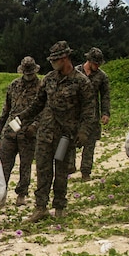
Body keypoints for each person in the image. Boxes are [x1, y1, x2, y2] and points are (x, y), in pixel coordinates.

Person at [19, 41, 95, 223]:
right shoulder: (49, 79)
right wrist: (22, 117)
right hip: (45, 133)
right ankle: (40, 208)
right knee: (43, 170)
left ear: (65, 58)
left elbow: (88, 110)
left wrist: (84, 132)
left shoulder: (81, 81)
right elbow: (38, 103)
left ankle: (59, 206)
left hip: (64, 137)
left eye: (56, 60)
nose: (53, 63)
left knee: (61, 171)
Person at [0, 56, 41, 207]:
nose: (28, 76)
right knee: (4, 164)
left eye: (31, 73)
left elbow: (45, 110)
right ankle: (1, 193)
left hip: (29, 131)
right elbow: (6, 108)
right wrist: (1, 125)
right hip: (11, 130)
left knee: (25, 164)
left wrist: (35, 125)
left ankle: (22, 193)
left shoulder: (42, 86)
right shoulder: (14, 85)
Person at [74, 47, 112, 180]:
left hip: (92, 115)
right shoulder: (75, 72)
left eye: (99, 64)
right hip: (74, 115)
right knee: (69, 142)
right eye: (95, 63)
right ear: (88, 60)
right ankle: (67, 168)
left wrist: (106, 113)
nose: (97, 66)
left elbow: (105, 96)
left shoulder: (102, 77)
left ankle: (85, 172)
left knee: (90, 145)